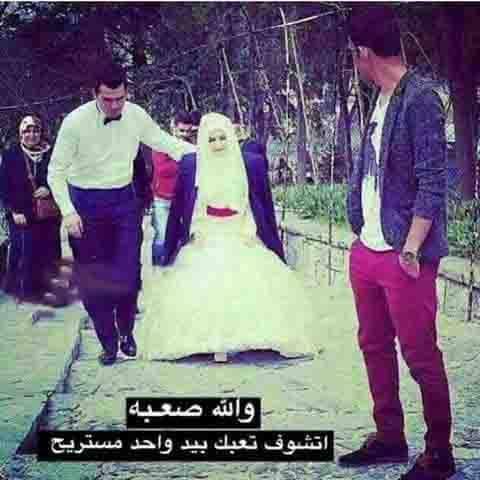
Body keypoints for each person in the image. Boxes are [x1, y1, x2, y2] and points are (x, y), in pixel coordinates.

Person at [340, 6, 455, 480]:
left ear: (364, 52)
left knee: (420, 354)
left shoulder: (420, 98)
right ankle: (389, 436)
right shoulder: (381, 98)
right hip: (368, 248)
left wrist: (411, 248)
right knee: (373, 345)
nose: (354, 62)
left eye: (354, 55)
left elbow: (433, 180)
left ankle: (439, 451)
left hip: (404, 255)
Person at [138, 112, 317, 362]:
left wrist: (248, 230)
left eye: (222, 138)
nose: (218, 144)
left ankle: (254, 337)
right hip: (208, 231)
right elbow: (192, 206)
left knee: (251, 282)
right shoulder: (193, 166)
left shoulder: (247, 166)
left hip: (238, 230)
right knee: (207, 283)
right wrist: (196, 231)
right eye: (212, 139)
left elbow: (250, 204)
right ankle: (212, 343)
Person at [48, 61, 194, 366]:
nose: (115, 106)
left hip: (124, 201)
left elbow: (164, 142)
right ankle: (108, 341)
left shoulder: (136, 115)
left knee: (128, 271)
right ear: (94, 94)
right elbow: (55, 172)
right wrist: (68, 212)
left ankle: (126, 329)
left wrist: (207, 153)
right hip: (85, 204)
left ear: (127, 93)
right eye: (108, 99)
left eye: (120, 99)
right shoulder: (75, 122)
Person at [0, 115, 64, 306]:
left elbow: (61, 176)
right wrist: (14, 211)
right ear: (20, 134)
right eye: (27, 131)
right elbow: (4, 186)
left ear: (41, 133)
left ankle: (47, 290)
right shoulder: (11, 155)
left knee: (49, 251)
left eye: (35, 131)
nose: (31, 135)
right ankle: (23, 291)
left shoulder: (50, 154)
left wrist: (48, 188)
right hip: (21, 213)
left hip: (47, 213)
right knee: (25, 252)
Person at [150, 110, 195, 266]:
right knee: (162, 235)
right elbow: (163, 170)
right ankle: (158, 267)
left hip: (182, 198)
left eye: (188, 131)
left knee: (183, 235)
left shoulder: (190, 145)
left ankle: (173, 267)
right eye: (181, 131)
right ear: (173, 128)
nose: (184, 135)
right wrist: (185, 162)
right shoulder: (162, 144)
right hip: (163, 198)